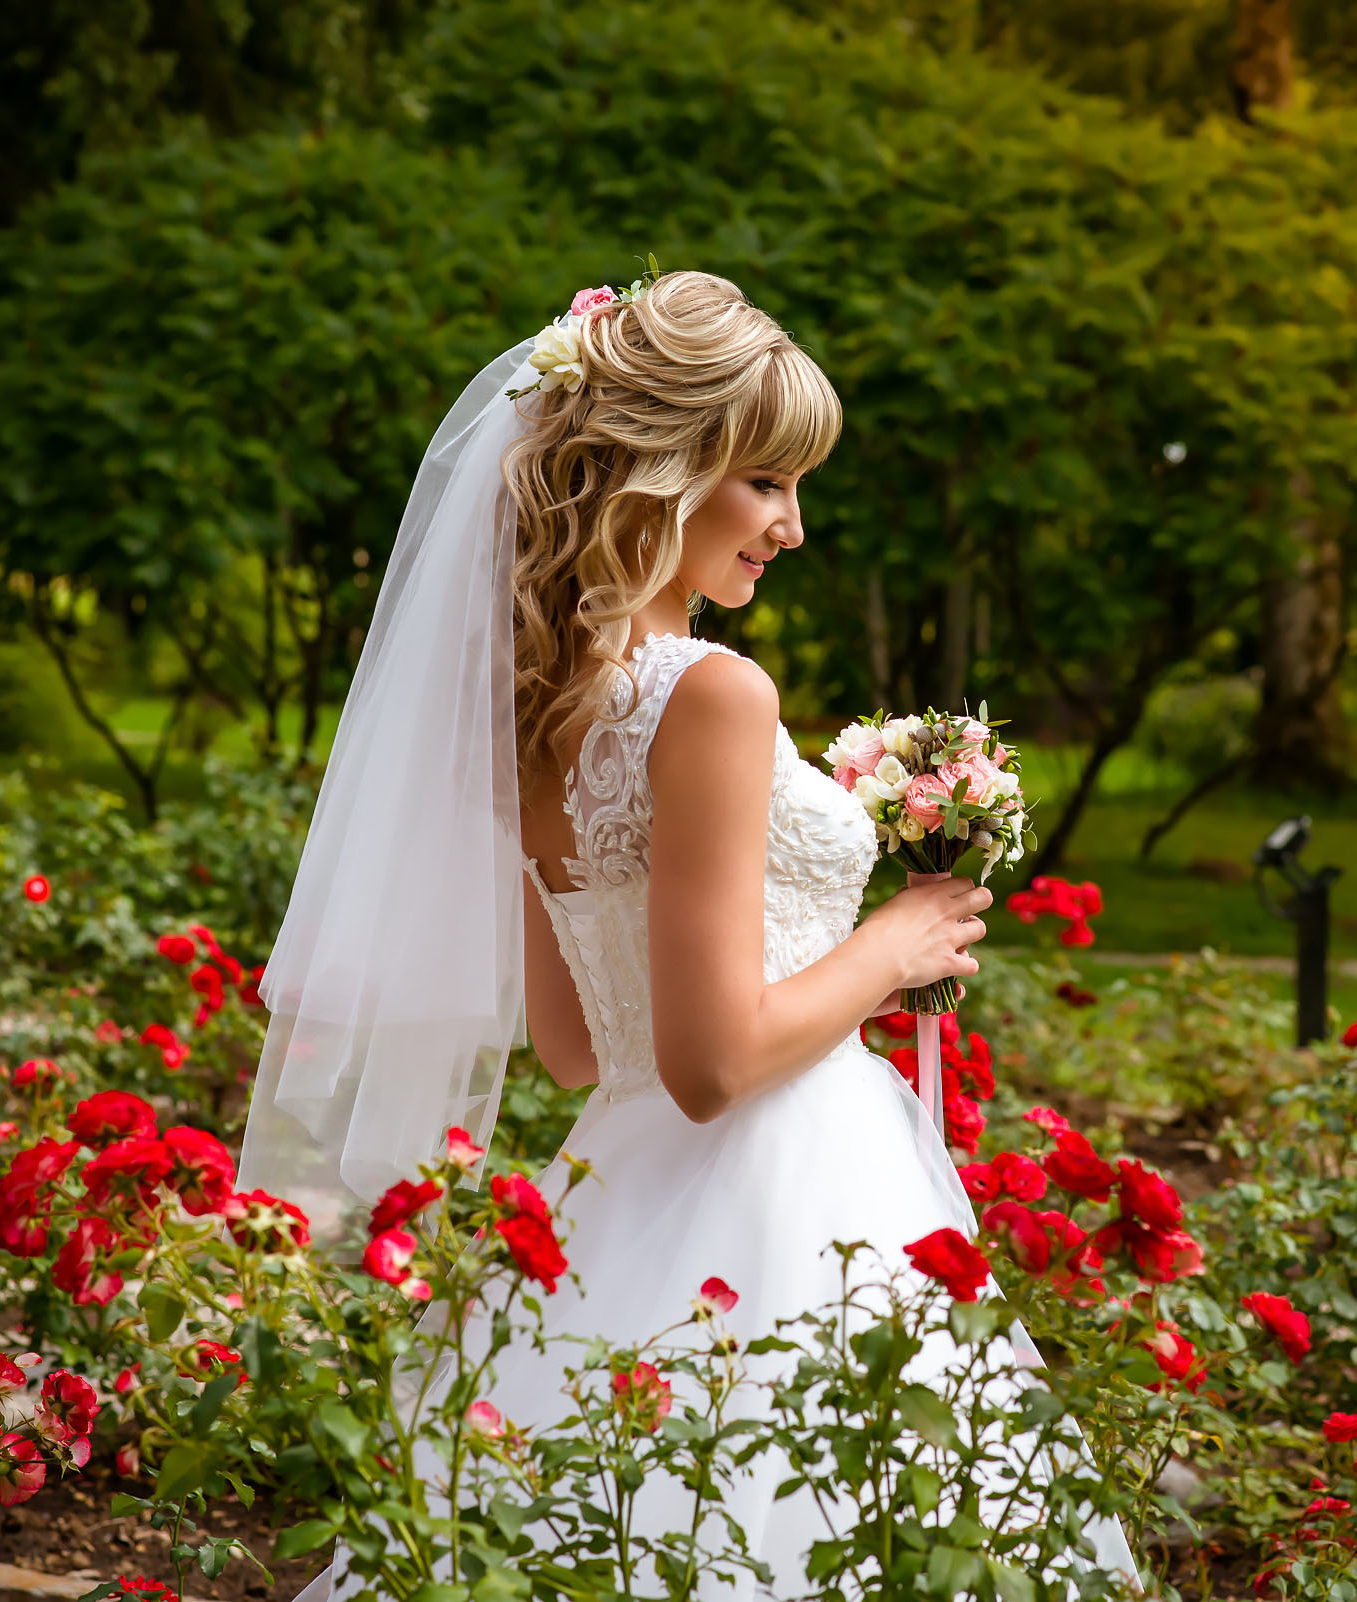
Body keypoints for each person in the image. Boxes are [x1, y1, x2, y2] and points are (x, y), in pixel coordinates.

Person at [240, 270, 1132, 1600]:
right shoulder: (712, 694)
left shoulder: (537, 709)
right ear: (660, 472)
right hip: (785, 1187)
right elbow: (712, 1068)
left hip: (618, 1187)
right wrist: (894, 943)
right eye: (766, 482)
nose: (792, 526)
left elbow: (575, 1049)